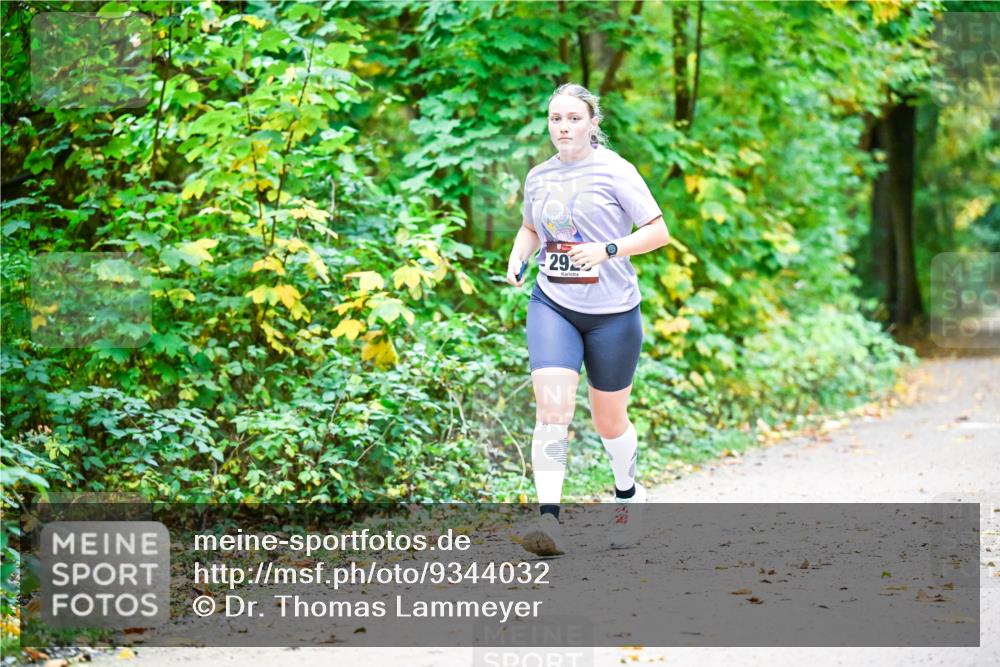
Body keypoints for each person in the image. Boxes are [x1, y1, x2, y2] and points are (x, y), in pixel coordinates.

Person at [506, 83, 671, 556]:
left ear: (593, 123)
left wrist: (608, 249)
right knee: (552, 410)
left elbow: (658, 231)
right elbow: (530, 228)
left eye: (574, 118)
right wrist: (518, 256)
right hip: (553, 304)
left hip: (613, 313)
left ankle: (628, 495)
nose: (563, 127)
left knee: (608, 421)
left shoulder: (616, 170)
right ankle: (549, 521)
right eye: (556, 118)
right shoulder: (539, 176)